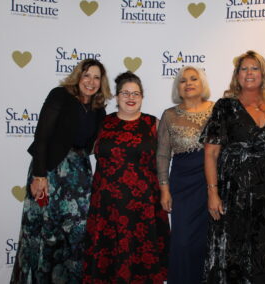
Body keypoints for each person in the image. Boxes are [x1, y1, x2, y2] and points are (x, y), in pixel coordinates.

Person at [11, 58, 112, 283]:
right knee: (46, 231)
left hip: (79, 178)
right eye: (87, 75)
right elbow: (42, 136)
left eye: (97, 77)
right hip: (50, 172)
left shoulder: (99, 109)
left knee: (77, 234)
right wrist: (39, 175)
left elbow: (97, 145)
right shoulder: (60, 96)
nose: (91, 81)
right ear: (78, 76)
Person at [200, 50, 265, 284]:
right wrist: (212, 192)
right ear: (237, 75)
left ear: (263, 74)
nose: (249, 73)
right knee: (233, 254)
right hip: (234, 194)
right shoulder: (225, 107)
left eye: (254, 68)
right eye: (244, 69)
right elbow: (211, 153)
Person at [82, 71, 170, 283]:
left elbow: (165, 160)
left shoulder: (155, 124)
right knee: (108, 262)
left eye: (136, 94)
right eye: (125, 93)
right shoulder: (102, 123)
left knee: (142, 262)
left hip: (144, 207)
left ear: (142, 97)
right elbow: (80, 146)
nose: (131, 98)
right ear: (116, 97)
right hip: (107, 208)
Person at [157, 66, 213, 284]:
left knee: (208, 242)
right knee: (182, 242)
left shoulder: (218, 110)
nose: (188, 83)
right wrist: (164, 189)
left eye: (193, 79)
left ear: (202, 84)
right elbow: (162, 155)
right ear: (177, 88)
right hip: (183, 186)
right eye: (183, 80)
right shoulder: (169, 116)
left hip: (212, 184)